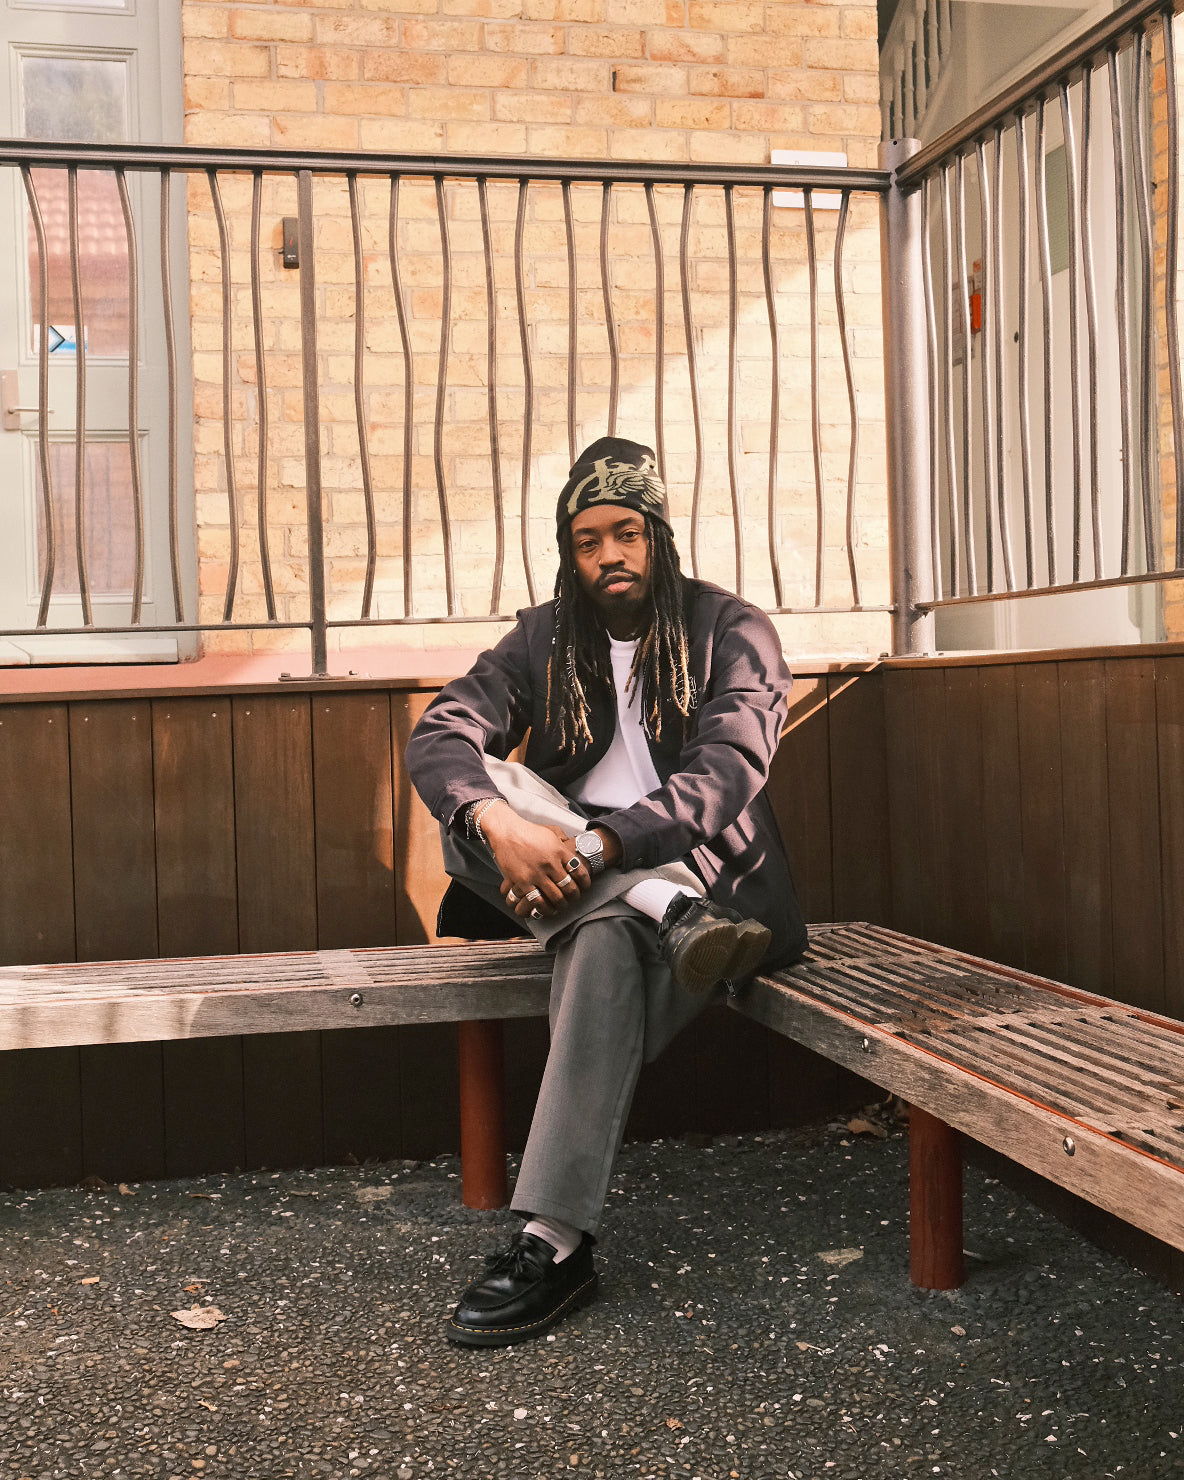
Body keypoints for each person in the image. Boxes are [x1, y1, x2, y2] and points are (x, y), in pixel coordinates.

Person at [405, 436, 808, 1348]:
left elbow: (726, 771)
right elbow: (442, 731)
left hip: (718, 888)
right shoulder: (546, 636)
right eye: (587, 542)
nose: (608, 557)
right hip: (580, 874)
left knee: (597, 944)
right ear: (569, 553)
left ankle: (552, 1240)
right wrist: (501, 826)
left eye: (625, 534)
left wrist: (604, 844)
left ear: (659, 536)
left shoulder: (731, 630)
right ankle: (655, 907)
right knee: (472, 805)